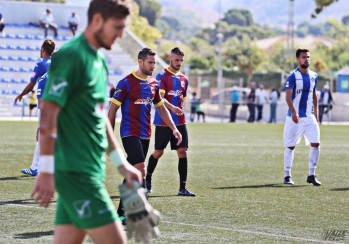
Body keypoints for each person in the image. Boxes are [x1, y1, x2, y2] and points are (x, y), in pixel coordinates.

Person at [31, 1, 159, 243]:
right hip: (77, 174)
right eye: (118, 27)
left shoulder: (99, 61)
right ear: (98, 20)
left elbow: (99, 117)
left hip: (91, 168)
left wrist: (122, 164)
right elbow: (48, 111)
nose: (121, 34)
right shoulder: (72, 56)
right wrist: (46, 169)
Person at [108, 47, 182, 223]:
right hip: (129, 132)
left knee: (133, 172)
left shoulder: (153, 84)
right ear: (140, 62)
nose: (153, 66)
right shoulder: (126, 82)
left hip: (145, 134)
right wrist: (108, 138)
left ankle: (120, 213)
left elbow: (161, 108)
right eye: (150, 63)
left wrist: (174, 128)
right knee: (141, 169)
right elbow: (112, 111)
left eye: (154, 63)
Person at [146, 47, 196, 196]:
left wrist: (179, 110)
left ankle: (182, 188)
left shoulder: (184, 79)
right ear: (170, 58)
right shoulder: (162, 76)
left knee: (182, 151)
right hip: (163, 121)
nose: (179, 63)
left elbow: (183, 100)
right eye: (176, 60)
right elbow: (159, 99)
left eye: (181, 60)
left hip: (180, 121)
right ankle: (147, 179)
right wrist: (172, 108)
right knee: (158, 152)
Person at [15, 39, 56, 177]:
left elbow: (31, 84)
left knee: (43, 134)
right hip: (56, 104)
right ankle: (36, 166)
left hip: (45, 106)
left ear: (43, 50)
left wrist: (21, 94)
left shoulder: (41, 64)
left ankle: (38, 167)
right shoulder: (57, 65)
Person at [283, 47, 321, 186]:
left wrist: (316, 114)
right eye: (304, 57)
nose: (307, 59)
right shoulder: (292, 76)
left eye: (308, 57)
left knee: (316, 143)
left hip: (309, 116)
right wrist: (293, 112)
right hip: (294, 117)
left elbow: (314, 95)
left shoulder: (314, 76)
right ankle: (287, 175)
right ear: (298, 59)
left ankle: (311, 174)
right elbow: (287, 97)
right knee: (290, 146)